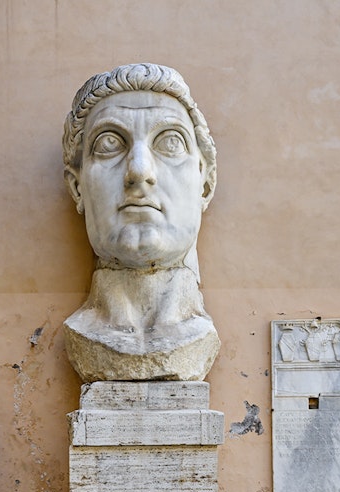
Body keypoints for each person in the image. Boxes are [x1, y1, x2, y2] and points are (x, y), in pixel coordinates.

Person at [61, 63, 221, 382]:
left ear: (205, 184)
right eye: (109, 144)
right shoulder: (83, 332)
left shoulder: (198, 334)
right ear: (77, 187)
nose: (139, 171)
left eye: (170, 142)